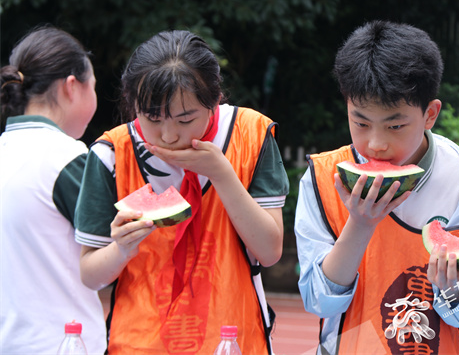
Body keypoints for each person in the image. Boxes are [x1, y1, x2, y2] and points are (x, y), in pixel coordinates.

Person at [294, 20, 459, 355]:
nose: (376, 144)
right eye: (360, 122)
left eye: (395, 125)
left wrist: (454, 289)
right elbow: (318, 301)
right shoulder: (322, 177)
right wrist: (360, 225)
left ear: (430, 114)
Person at [75, 30, 289, 354]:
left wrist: (222, 175)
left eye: (185, 118)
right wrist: (120, 250)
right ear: (133, 103)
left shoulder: (252, 135)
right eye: (152, 118)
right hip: (139, 343)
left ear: (215, 100)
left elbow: (270, 252)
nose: (168, 135)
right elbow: (90, 275)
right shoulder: (110, 154)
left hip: (232, 341)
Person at [0, 26, 107, 354]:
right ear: (72, 87)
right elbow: (107, 258)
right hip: (64, 343)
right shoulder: (67, 157)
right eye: (94, 86)